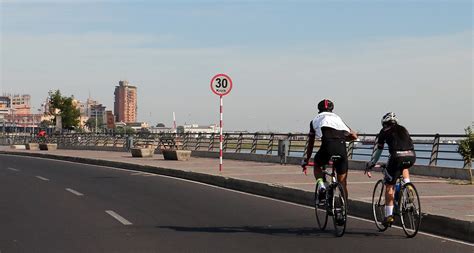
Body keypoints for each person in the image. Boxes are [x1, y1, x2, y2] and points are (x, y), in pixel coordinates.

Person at [365, 112, 416, 227]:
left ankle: (389, 216)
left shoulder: (384, 132)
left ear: (384, 124)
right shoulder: (403, 129)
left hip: (396, 157)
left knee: (389, 185)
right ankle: (408, 186)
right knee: (404, 166)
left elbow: (379, 150)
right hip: (411, 155)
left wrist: (372, 163)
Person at [301, 99, 358, 201]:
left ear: (319, 110)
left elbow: (311, 143)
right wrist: (342, 139)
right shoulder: (338, 118)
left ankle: (322, 185)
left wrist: (307, 159)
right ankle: (344, 210)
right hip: (341, 148)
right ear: (332, 109)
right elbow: (354, 136)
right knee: (342, 182)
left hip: (327, 146)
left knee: (317, 164)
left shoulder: (315, 120)